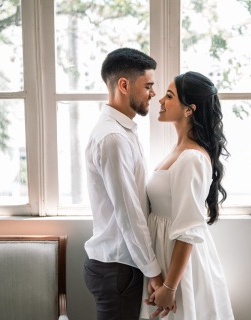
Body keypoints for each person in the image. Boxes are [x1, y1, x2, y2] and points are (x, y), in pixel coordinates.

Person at [140, 71, 235, 319]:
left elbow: (188, 230)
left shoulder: (191, 158)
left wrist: (170, 287)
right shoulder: (178, 151)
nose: (160, 100)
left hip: (178, 266)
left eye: (169, 96)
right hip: (164, 254)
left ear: (188, 110)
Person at [84, 48, 163, 320]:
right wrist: (154, 270)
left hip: (121, 265)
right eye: (148, 86)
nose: (153, 93)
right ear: (124, 85)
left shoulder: (123, 131)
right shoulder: (113, 138)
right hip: (117, 267)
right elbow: (128, 213)